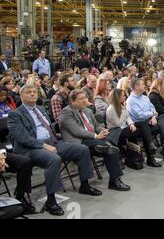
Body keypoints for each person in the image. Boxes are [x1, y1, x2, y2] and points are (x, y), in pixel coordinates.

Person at [8, 85, 100, 216]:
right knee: (54, 158)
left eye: (34, 92)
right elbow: (23, 138)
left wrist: (56, 140)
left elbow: (49, 128)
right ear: (21, 96)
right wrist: (44, 146)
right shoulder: (15, 114)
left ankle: (84, 185)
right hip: (30, 148)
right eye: (29, 92)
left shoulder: (41, 109)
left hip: (52, 142)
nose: (33, 94)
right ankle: (51, 201)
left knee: (82, 149)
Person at [59, 90, 130, 192]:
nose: (84, 100)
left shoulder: (87, 111)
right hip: (78, 141)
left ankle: (115, 180)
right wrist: (96, 136)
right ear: (72, 101)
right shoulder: (66, 112)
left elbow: (96, 125)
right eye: (81, 98)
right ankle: (87, 185)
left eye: (85, 98)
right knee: (108, 146)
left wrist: (102, 130)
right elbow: (76, 131)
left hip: (93, 140)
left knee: (110, 146)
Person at [127, 78, 164, 166]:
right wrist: (152, 114)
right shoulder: (130, 100)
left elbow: (152, 107)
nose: (145, 86)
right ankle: (156, 155)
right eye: (142, 84)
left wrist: (153, 117)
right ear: (136, 87)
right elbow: (140, 115)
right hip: (139, 124)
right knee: (156, 124)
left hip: (150, 121)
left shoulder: (144, 97)